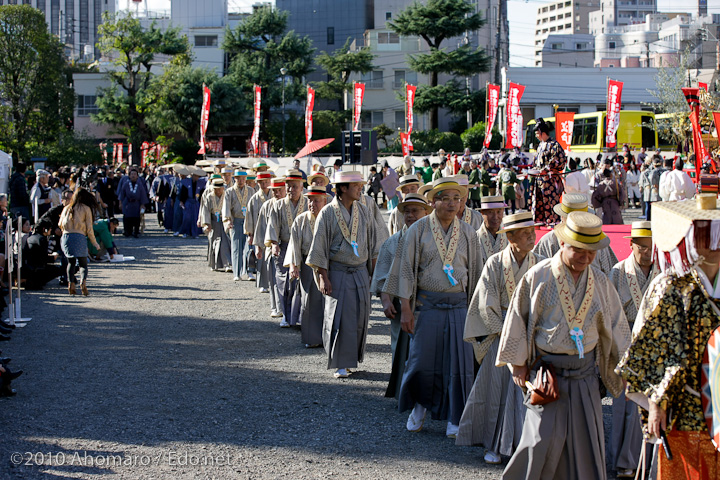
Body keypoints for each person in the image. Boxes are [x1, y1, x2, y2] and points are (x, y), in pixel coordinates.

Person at [497, 211, 631, 480]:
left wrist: (627, 366)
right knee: (538, 441)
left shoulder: (601, 282)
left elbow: (616, 326)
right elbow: (517, 318)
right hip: (548, 376)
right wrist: (519, 363)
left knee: (586, 443)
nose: (585, 257)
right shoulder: (538, 276)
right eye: (578, 250)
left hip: (585, 376)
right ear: (562, 244)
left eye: (591, 252)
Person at [616, 198, 720, 480]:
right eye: (701, 232)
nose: (709, 242)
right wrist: (655, 404)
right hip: (683, 406)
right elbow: (654, 349)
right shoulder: (672, 285)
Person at [384, 177, 479, 437]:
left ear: (462, 203)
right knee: (421, 360)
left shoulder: (469, 233)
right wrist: (405, 308)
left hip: (459, 305)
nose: (451, 204)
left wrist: (474, 311)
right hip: (427, 304)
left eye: (456, 199)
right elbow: (405, 270)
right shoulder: (419, 229)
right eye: (445, 198)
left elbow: (477, 272)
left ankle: (454, 416)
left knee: (458, 364)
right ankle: (420, 406)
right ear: (433, 202)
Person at [457, 212, 544, 464]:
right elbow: (485, 304)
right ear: (510, 237)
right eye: (525, 233)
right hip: (500, 333)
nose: (531, 237)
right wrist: (508, 332)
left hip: (529, 335)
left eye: (532, 232)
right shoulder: (495, 263)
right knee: (495, 391)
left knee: (528, 392)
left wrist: (529, 332)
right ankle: (494, 443)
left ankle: (525, 445)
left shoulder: (540, 263)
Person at [306, 171, 378, 379]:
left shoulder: (364, 211)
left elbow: (373, 245)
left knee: (359, 317)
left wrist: (373, 274)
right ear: (343, 188)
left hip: (360, 271)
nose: (360, 188)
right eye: (355, 185)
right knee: (338, 318)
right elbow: (319, 247)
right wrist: (323, 276)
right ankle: (339, 363)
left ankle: (351, 360)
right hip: (338, 271)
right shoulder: (328, 213)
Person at [607, 221, 658, 479]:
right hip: (625, 341)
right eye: (642, 247)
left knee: (652, 405)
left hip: (654, 345)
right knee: (624, 405)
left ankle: (649, 463)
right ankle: (623, 460)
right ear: (631, 245)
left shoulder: (662, 272)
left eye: (651, 247)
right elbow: (609, 315)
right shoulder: (618, 272)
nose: (647, 253)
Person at [372, 193, 432, 399]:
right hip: (401, 305)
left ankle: (425, 394)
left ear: (426, 213)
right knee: (401, 348)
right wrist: (386, 300)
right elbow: (381, 276)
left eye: (415, 210)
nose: (410, 215)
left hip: (429, 304)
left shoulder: (434, 242)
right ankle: (402, 391)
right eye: (407, 211)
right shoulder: (392, 242)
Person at [285, 185, 330, 348]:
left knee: (328, 301)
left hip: (326, 264)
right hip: (306, 264)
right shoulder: (301, 219)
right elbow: (294, 244)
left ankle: (327, 338)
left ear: (325, 201)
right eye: (310, 201)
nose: (312, 205)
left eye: (316, 201)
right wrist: (293, 265)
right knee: (308, 300)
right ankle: (311, 338)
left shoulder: (330, 218)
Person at [534, 193, 619, 276]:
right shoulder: (549, 240)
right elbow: (538, 272)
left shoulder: (597, 238)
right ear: (562, 217)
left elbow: (610, 274)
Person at [266, 170, 306, 327]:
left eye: (295, 187)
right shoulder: (278, 205)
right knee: (283, 280)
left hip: (303, 247)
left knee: (302, 281)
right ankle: (286, 315)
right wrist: (274, 243)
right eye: (288, 187)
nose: (291, 190)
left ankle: (300, 315)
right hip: (284, 245)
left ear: (301, 188)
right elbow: (272, 226)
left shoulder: (307, 203)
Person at [59, 188, 101, 296]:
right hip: (79, 236)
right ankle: (83, 282)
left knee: (70, 262)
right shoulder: (85, 208)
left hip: (66, 236)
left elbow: (60, 224)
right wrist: (94, 243)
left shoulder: (67, 208)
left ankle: (71, 283)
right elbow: (89, 228)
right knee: (83, 264)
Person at [253, 176, 284, 318]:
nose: (276, 193)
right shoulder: (267, 206)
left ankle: (287, 309)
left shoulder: (288, 205)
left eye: (279, 190)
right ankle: (275, 307)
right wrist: (258, 247)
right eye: (274, 191)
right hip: (270, 247)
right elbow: (260, 228)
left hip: (287, 247)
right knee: (273, 280)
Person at [531, 118, 567, 226]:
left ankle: (554, 221)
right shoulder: (540, 146)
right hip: (540, 179)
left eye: (538, 133)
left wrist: (546, 169)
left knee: (552, 200)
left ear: (543, 132)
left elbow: (559, 159)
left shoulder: (554, 144)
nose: (537, 136)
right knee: (539, 200)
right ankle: (541, 221)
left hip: (550, 179)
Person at [223, 170, 255, 282]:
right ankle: (237, 273)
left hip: (248, 221)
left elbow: (253, 208)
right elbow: (226, 207)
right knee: (236, 247)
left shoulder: (251, 191)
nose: (240, 181)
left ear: (246, 179)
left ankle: (249, 271)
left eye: (242, 178)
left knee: (249, 247)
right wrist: (228, 220)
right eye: (238, 178)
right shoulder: (229, 191)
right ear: (234, 179)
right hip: (235, 221)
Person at [200, 177, 231, 272]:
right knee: (213, 242)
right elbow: (205, 210)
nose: (218, 191)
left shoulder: (226, 195)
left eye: (220, 189)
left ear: (223, 188)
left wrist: (229, 220)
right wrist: (207, 223)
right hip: (213, 221)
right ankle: (214, 264)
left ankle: (227, 264)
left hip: (224, 221)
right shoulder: (209, 197)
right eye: (216, 189)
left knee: (225, 243)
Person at [22, 221, 63, 290]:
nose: (50, 231)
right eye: (50, 229)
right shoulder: (42, 239)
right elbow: (44, 259)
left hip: (28, 268)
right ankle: (39, 282)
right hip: (37, 269)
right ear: (45, 229)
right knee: (59, 269)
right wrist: (53, 257)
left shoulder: (31, 237)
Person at [592, 157, 626, 225]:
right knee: (602, 218)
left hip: (613, 201)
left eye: (608, 166)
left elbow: (619, 188)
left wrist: (620, 201)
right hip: (602, 200)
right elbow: (594, 187)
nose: (607, 167)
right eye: (605, 165)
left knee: (615, 218)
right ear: (602, 165)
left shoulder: (612, 174)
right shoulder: (597, 174)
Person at [118, 167, 150, 238]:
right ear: (129, 175)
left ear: (137, 176)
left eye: (135, 174)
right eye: (132, 174)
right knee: (127, 218)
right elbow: (122, 194)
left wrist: (142, 204)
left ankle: (136, 232)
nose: (133, 176)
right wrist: (120, 203)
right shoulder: (126, 184)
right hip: (127, 203)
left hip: (136, 203)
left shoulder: (140, 185)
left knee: (136, 218)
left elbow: (143, 195)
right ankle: (127, 231)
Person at [477, 195, 508, 265]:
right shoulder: (474, 238)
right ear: (482, 213)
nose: (495, 217)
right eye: (490, 212)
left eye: (499, 212)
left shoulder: (509, 237)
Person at [179, 166, 206, 238]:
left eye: (198, 176)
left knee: (196, 218)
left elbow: (202, 194)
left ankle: (195, 233)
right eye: (195, 176)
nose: (196, 177)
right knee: (186, 218)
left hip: (196, 202)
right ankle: (185, 232)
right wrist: (182, 202)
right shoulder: (186, 182)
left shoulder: (201, 183)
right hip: (188, 202)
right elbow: (183, 193)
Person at [640, 155, 664, 220]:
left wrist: (641, 187)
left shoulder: (646, 172)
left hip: (650, 188)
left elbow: (643, 181)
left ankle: (648, 218)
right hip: (656, 189)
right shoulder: (664, 171)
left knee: (648, 206)